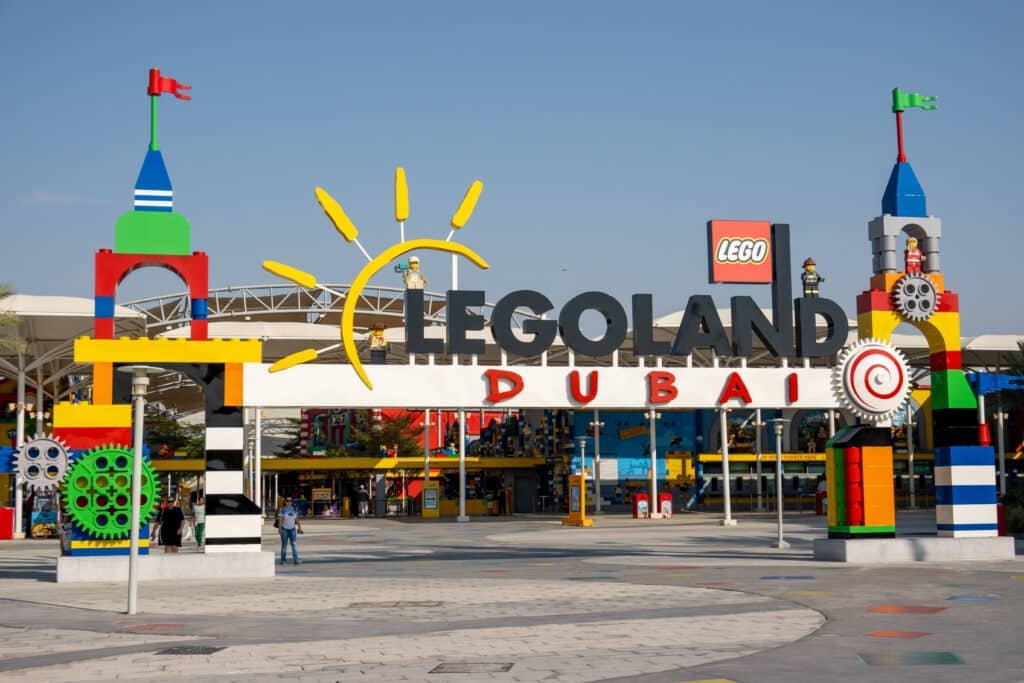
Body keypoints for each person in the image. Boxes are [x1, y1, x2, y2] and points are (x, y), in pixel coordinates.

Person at [276, 497, 303, 565]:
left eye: (290, 501)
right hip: (284, 529)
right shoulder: (282, 509)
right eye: (287, 501)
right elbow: (280, 520)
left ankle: (296, 560)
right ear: (285, 502)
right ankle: (283, 560)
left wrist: (299, 527)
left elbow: (296, 519)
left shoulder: (294, 509)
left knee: (294, 544)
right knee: (284, 545)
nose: (289, 502)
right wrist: (279, 529)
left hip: (292, 529)